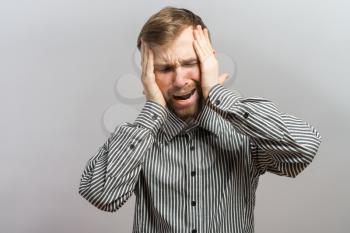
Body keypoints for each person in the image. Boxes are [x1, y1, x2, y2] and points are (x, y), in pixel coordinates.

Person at [78, 6, 322, 233]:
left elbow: (304, 150)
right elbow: (102, 196)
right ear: (148, 75)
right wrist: (152, 111)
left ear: (208, 62)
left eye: (189, 63)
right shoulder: (137, 139)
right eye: (164, 69)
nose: (179, 80)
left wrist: (216, 92)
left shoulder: (244, 130)